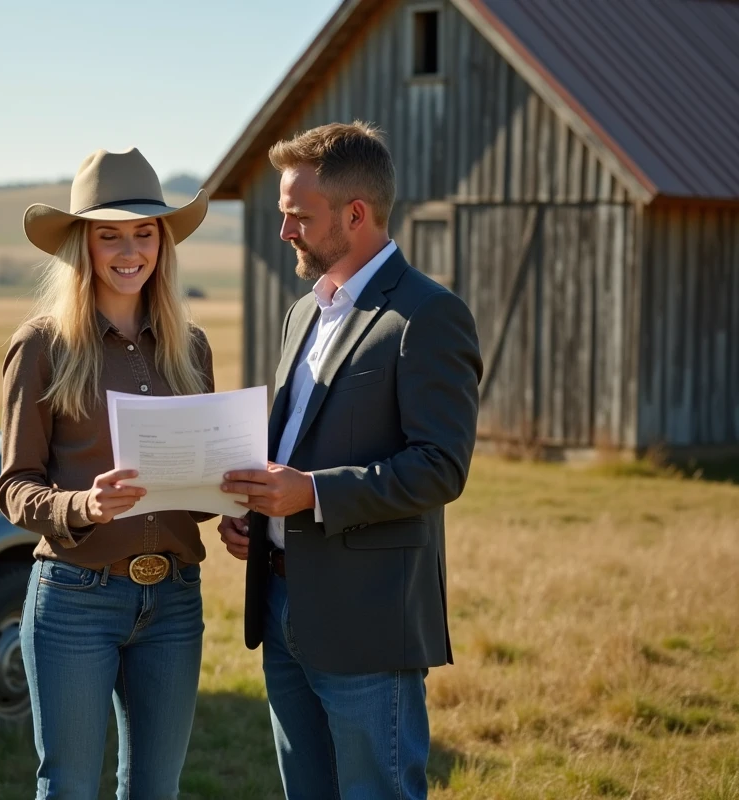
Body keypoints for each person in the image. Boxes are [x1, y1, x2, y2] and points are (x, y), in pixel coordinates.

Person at [217, 121, 483, 800]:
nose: (285, 233)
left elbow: (439, 467)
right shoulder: (301, 313)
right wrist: (259, 515)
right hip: (280, 605)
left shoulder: (428, 315)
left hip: (367, 622)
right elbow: (296, 447)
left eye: (298, 217)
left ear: (356, 214)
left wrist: (307, 493)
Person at [0, 146, 216, 800]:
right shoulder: (42, 345)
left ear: (162, 243)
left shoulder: (191, 347)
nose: (130, 250)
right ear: (81, 246)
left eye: (144, 232)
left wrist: (237, 497)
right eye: (110, 234)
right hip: (74, 599)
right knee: (68, 788)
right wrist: (83, 507)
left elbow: (195, 491)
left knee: (157, 790)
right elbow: (14, 487)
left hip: (175, 599)